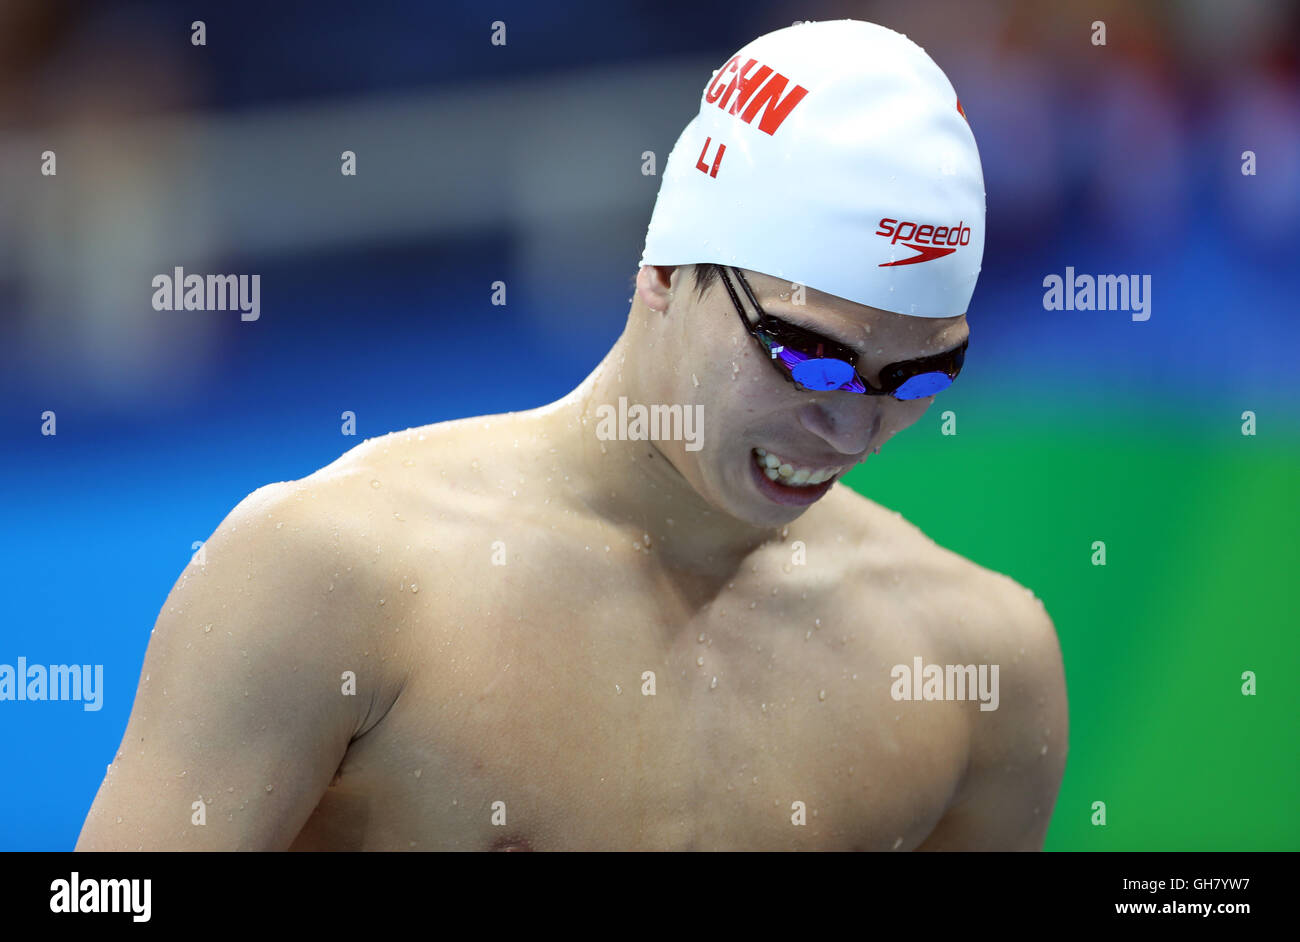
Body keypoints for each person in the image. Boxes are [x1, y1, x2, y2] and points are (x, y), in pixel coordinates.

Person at [77, 20, 1067, 851]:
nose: (852, 423)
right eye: (808, 354)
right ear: (665, 272)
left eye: (919, 376)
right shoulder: (330, 579)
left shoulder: (976, 669)